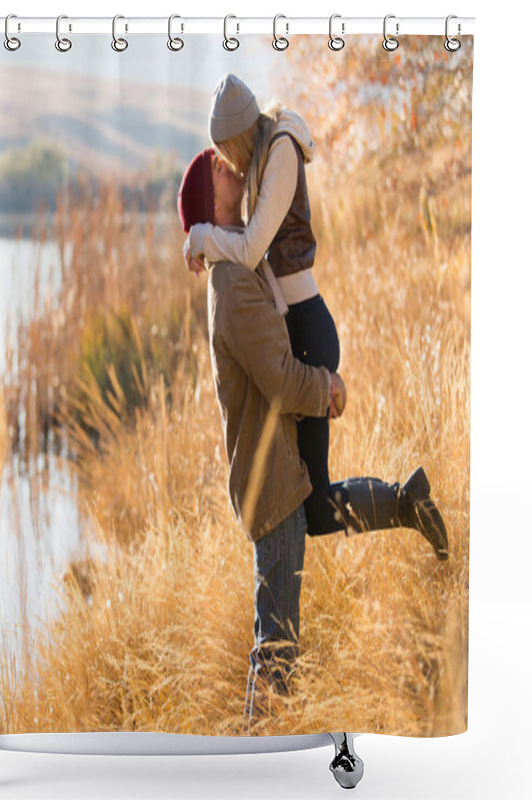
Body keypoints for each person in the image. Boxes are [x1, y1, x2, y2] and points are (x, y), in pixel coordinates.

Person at [177, 148, 449, 730]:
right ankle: (256, 755)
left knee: (318, 524)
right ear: (210, 201)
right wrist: (326, 386)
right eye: (222, 169)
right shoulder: (231, 283)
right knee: (276, 647)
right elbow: (277, 377)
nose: (233, 167)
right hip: (268, 484)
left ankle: (406, 500)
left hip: (281, 465)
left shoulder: (238, 260)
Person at [182, 73, 352, 538]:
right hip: (292, 327)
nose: (228, 163)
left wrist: (202, 237)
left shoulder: (280, 150)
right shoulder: (261, 157)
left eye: (225, 150)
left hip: (308, 330)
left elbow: (253, 248)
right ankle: (405, 501)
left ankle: (404, 502)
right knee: (311, 506)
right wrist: (202, 240)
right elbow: (242, 242)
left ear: (236, 136)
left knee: (314, 509)